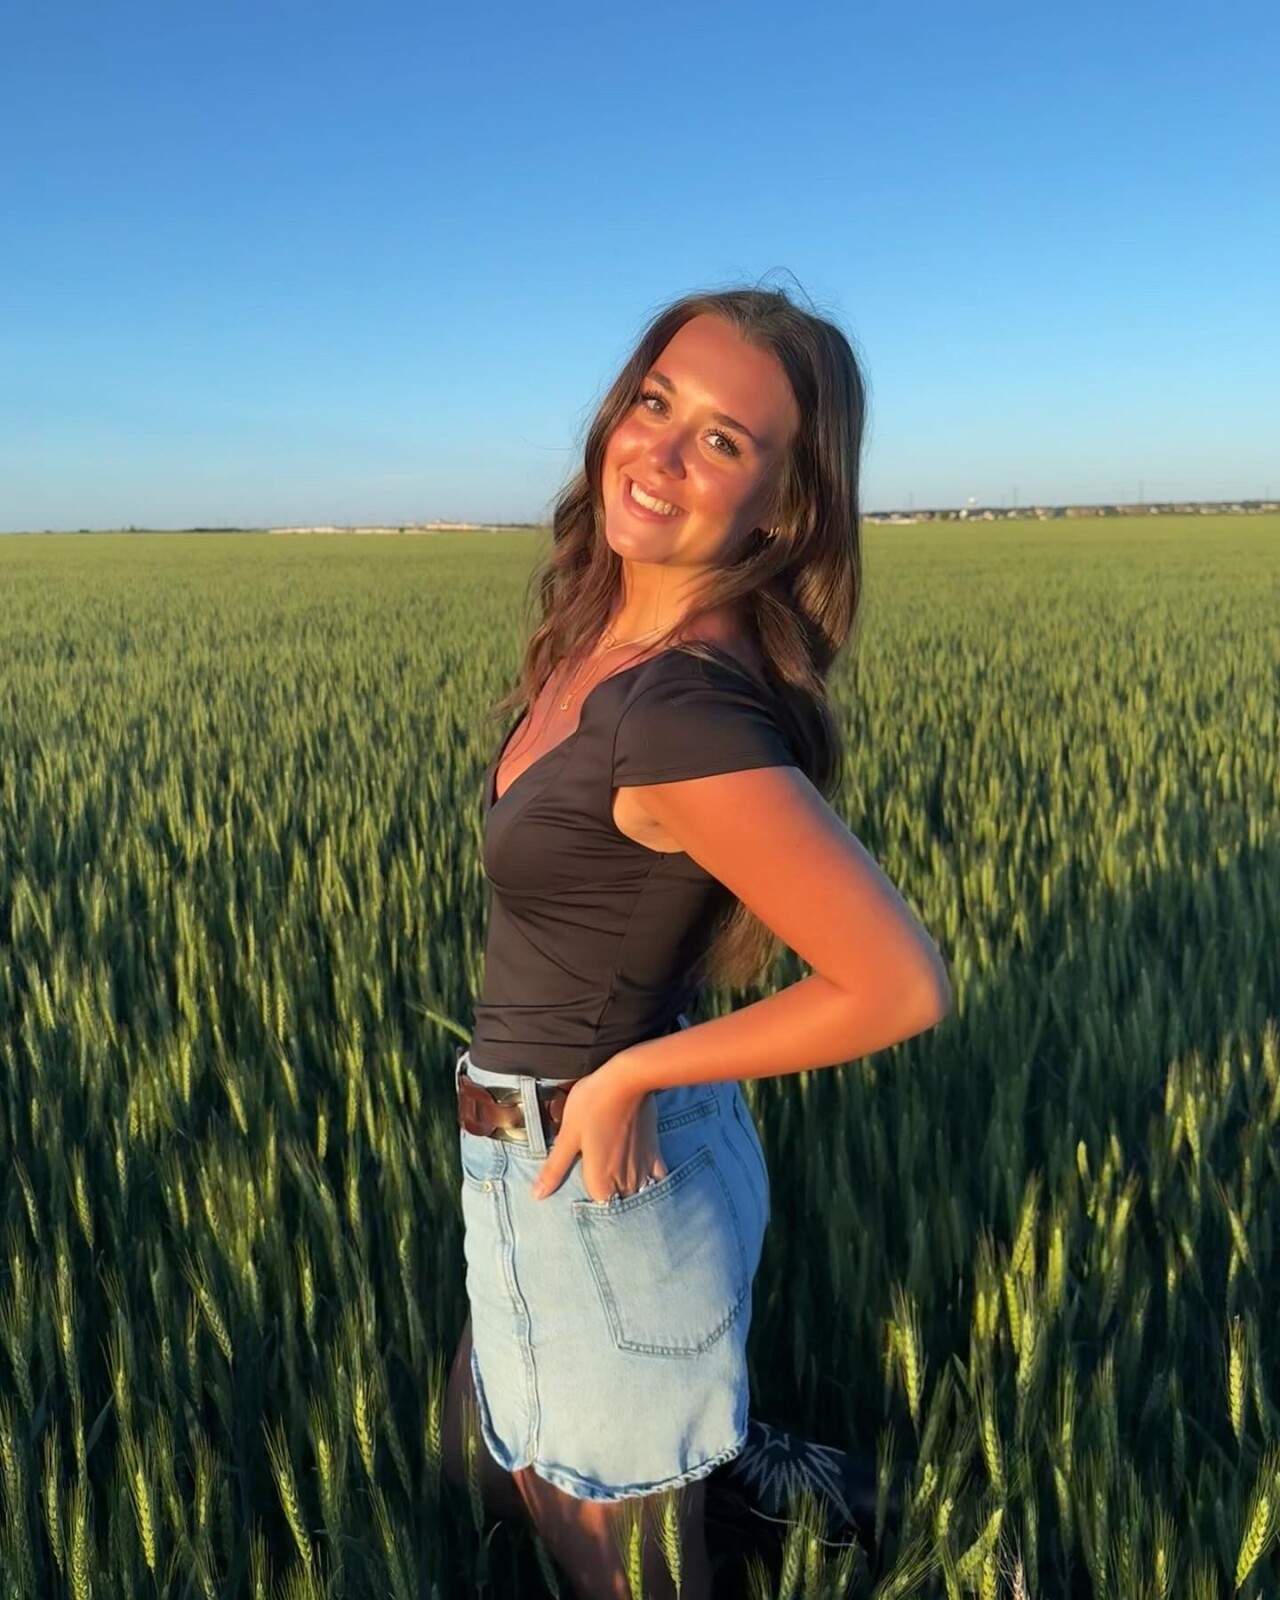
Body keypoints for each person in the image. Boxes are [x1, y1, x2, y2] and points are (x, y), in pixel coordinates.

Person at [443, 286, 952, 1599]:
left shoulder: (674, 711)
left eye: (723, 441)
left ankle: (891, 1528)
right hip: (561, 1155)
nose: (658, 451)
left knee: (605, 1555)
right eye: (656, 402)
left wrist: (630, 1077)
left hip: (596, 1171)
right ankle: (796, 1493)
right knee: (491, 1478)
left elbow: (899, 984)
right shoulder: (608, 637)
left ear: (782, 507)